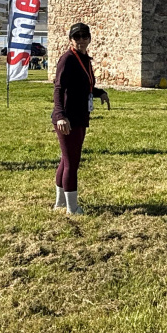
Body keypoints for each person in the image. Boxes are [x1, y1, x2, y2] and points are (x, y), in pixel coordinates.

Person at [52, 22, 110, 214]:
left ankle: (60, 203)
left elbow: (83, 86)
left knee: (66, 159)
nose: (81, 40)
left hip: (80, 115)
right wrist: (61, 115)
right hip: (68, 118)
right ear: (70, 40)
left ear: (90, 39)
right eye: (77, 37)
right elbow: (58, 88)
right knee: (72, 162)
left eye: (85, 36)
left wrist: (99, 92)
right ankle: (72, 208)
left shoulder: (84, 59)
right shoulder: (68, 59)